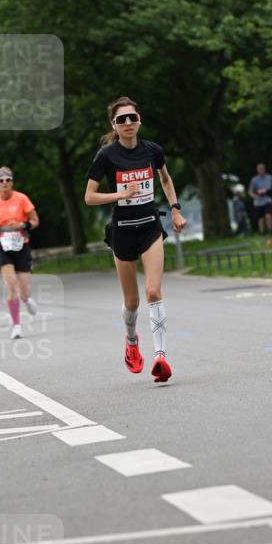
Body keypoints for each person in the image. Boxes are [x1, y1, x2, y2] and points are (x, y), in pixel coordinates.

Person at [85, 96, 186, 381]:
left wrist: (175, 210)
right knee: (131, 301)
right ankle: (131, 342)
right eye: (121, 120)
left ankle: (161, 358)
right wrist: (120, 194)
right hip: (123, 231)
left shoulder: (153, 150)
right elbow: (89, 197)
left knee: (153, 291)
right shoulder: (106, 155)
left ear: (139, 119)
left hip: (150, 227)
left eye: (132, 118)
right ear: (113, 125)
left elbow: (165, 179)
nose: (128, 123)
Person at [0, 167, 39, 339]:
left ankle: (26, 299)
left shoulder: (22, 198)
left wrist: (23, 225)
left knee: (23, 289)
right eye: (1, 180)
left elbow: (35, 221)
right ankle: (16, 325)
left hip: (21, 244)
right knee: (11, 285)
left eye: (8, 179)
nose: (4, 183)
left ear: (12, 182)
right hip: (2, 244)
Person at [248, 162, 272, 234]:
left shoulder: (269, 177)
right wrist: (255, 196)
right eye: (259, 169)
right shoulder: (254, 180)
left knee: (268, 216)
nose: (261, 170)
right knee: (260, 219)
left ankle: (270, 231)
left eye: (262, 169)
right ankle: (262, 233)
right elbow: (250, 191)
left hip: (267, 199)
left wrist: (265, 190)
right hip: (258, 201)